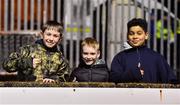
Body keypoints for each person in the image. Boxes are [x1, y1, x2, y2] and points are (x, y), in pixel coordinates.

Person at [110, 18, 177, 84]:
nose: (135, 36)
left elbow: (171, 81)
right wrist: (132, 75)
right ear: (127, 35)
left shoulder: (157, 58)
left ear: (146, 35)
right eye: (131, 33)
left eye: (139, 33)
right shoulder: (120, 58)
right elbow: (113, 79)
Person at [2, 20, 70, 83]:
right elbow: (7, 65)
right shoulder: (28, 50)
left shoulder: (61, 59)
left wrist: (54, 80)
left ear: (60, 39)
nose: (51, 39)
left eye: (55, 36)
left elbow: (65, 78)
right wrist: (28, 62)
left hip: (48, 94)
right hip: (25, 92)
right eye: (48, 34)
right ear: (42, 34)